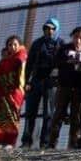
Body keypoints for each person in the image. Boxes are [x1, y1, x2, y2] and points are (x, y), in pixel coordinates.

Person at [21, 17, 61, 148]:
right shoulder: (37, 43)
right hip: (36, 81)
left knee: (48, 114)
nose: (49, 31)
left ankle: (45, 142)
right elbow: (30, 64)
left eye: (52, 28)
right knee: (30, 113)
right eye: (46, 28)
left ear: (56, 29)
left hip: (51, 84)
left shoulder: (60, 44)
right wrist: (27, 81)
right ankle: (26, 141)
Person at [48, 26, 81, 149]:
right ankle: (52, 143)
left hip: (79, 88)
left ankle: (73, 144)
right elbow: (56, 63)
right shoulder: (64, 49)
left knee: (76, 116)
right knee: (59, 114)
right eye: (76, 37)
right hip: (64, 86)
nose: (78, 40)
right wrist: (67, 62)